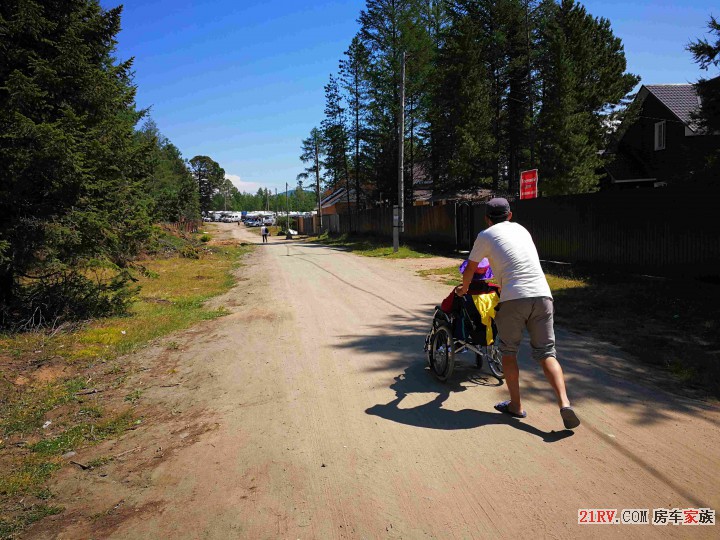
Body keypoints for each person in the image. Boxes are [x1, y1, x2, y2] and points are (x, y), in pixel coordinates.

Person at [456, 197, 580, 430]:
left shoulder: (485, 235)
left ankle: (515, 405)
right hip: (543, 295)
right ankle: (564, 403)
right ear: (510, 215)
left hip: (514, 299)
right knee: (546, 353)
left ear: (487, 219)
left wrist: (464, 288)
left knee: (509, 352)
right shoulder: (522, 230)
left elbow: (471, 268)